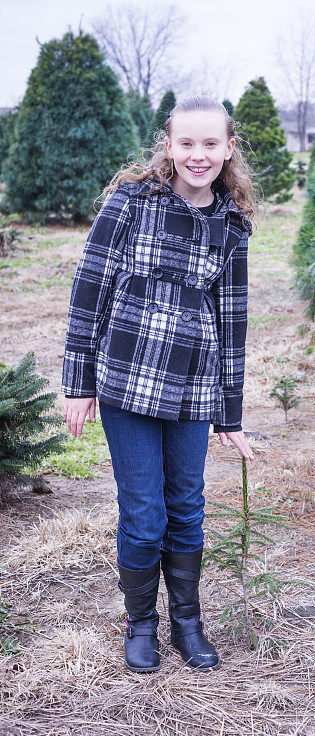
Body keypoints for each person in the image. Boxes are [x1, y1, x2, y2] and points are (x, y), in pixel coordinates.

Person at [61, 95, 258, 674]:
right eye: (186, 143)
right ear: (168, 146)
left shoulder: (231, 224)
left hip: (193, 389)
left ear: (227, 149)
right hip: (125, 381)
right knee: (145, 511)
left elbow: (233, 320)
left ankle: (187, 621)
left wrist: (230, 414)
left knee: (188, 506)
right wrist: (78, 380)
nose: (198, 155)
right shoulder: (130, 203)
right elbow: (88, 290)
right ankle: (141, 622)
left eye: (210, 144)